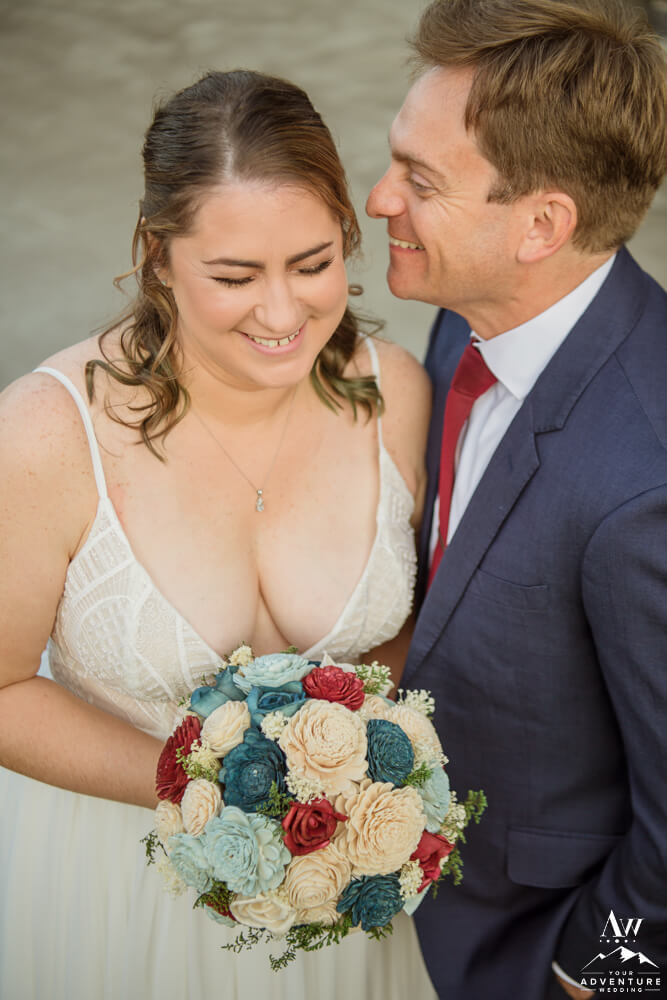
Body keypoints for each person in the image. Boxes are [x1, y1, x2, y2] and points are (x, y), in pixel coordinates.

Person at [0, 70, 437, 1000]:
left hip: (344, 884)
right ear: (157, 256)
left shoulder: (394, 393)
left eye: (312, 264)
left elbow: (409, 623)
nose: (280, 315)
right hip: (119, 890)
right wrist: (208, 789)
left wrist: (356, 767)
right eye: (234, 277)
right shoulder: (44, 434)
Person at [366, 1, 667, 998]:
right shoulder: (463, 315)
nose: (378, 199)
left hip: (531, 950)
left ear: (541, 224)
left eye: (420, 181)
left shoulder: (647, 480)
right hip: (412, 908)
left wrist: (593, 978)